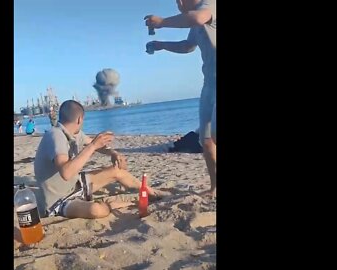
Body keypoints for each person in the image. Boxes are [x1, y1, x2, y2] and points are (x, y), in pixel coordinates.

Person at [34, 100, 169, 219]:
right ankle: (111, 205)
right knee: (96, 210)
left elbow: (94, 144)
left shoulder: (73, 133)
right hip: (59, 200)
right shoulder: (56, 136)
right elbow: (66, 173)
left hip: (75, 184)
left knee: (117, 171)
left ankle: (153, 193)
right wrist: (93, 146)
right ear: (80, 119)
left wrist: (112, 153)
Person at [144, 0, 216, 198]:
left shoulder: (210, 5)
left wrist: (162, 22)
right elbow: (187, 46)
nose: (178, 4)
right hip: (209, 84)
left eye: (180, 0)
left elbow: (199, 17)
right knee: (206, 141)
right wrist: (162, 45)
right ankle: (214, 188)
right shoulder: (194, 20)